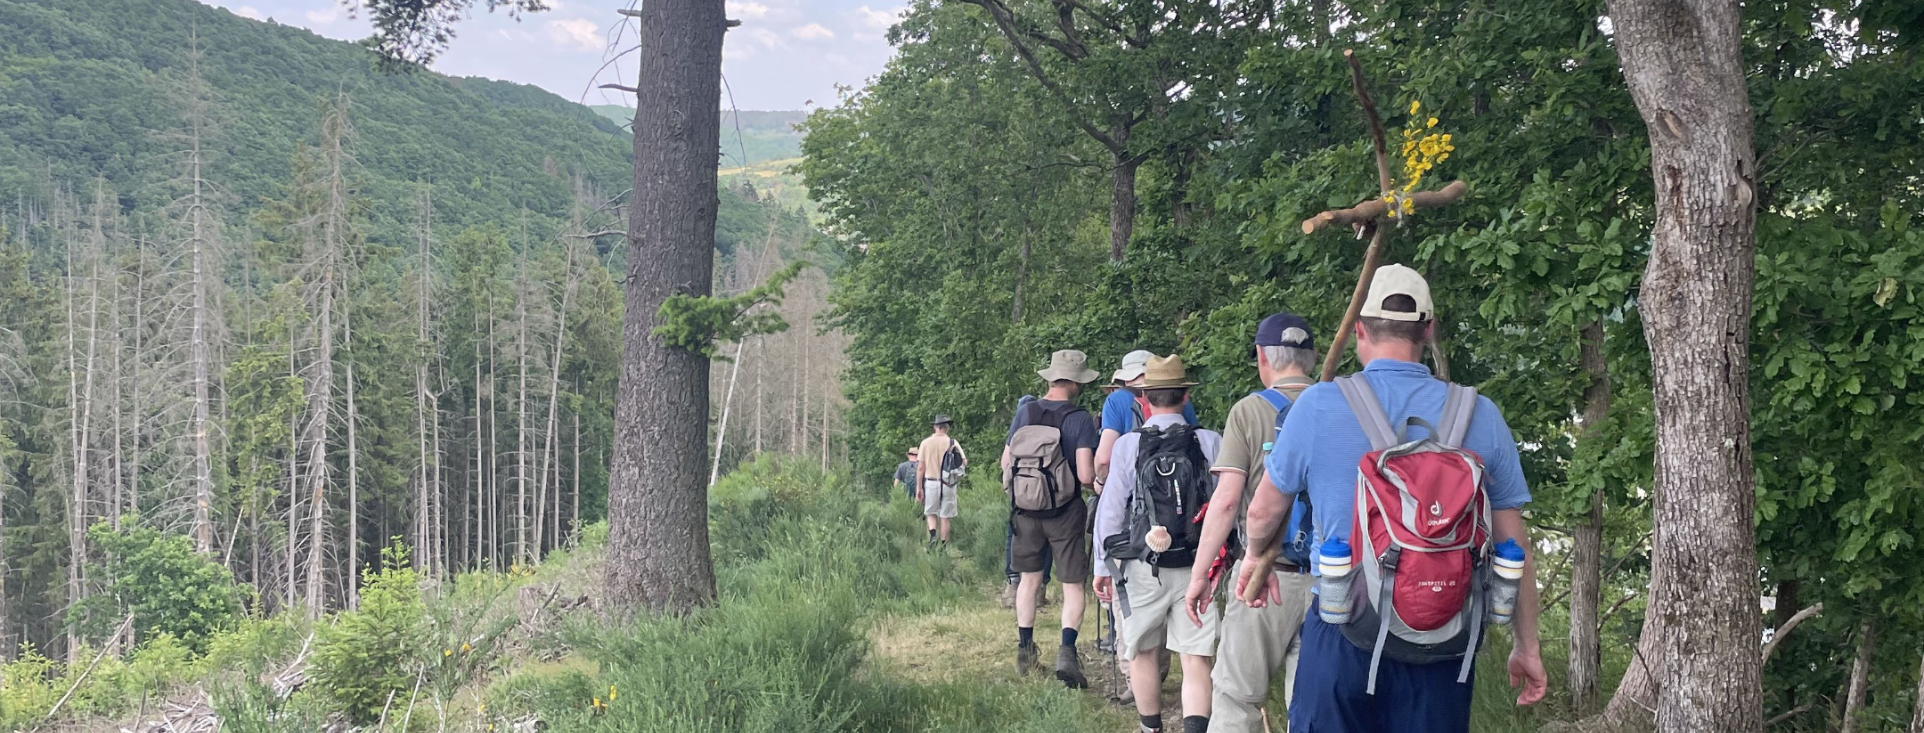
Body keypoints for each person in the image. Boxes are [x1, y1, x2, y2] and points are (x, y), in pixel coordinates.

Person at [1236, 265, 1548, 732]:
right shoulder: (1480, 414)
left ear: (1358, 329)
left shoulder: (1318, 405)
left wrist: (1256, 555)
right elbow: (1513, 545)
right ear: (1428, 331)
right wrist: (1528, 646)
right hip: (1443, 634)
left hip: (1344, 625)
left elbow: (1263, 511)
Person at [1180, 313, 1320, 733]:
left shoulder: (1249, 412)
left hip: (1263, 576)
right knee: (1312, 706)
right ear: (1311, 357)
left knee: (1237, 698)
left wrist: (1201, 574)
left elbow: (1225, 503)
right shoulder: (1341, 406)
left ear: (1262, 357)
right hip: (1334, 579)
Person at [1094, 354, 1222, 733]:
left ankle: (1151, 728)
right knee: (1196, 657)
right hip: (1198, 566)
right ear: (1185, 396)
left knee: (1143, 652)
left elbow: (1111, 509)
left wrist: (1103, 566)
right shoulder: (1209, 442)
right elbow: (1225, 505)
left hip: (1140, 565)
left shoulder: (1128, 446)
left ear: (1144, 400)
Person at [1000, 350, 1100, 687]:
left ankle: (1025, 651)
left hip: (1024, 511)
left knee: (1028, 581)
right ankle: (1067, 653)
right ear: (1074, 382)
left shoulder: (1025, 412)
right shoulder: (1080, 418)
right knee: (1071, 585)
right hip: (1065, 512)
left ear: (1050, 378)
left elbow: (1006, 461)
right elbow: (1086, 473)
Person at [1096, 350, 1199, 491]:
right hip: (1182, 488)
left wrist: (1101, 482)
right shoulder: (1181, 399)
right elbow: (1197, 441)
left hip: (1137, 492)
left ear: (1126, 378)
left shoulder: (1116, 399)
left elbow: (1104, 459)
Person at [1002, 394, 1052, 609]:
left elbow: (1005, 463)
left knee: (1014, 534)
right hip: (1049, 494)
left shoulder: (1017, 433)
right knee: (1048, 538)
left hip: (1021, 494)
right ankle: (1041, 589)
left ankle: (1014, 585)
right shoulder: (1051, 432)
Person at [916, 415, 967, 550]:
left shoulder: (925, 443)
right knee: (945, 516)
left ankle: (933, 537)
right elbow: (964, 461)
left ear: (935, 427)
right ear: (947, 428)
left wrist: (918, 487)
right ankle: (944, 547)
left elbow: (921, 467)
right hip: (948, 483)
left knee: (931, 513)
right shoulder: (952, 442)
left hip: (931, 482)